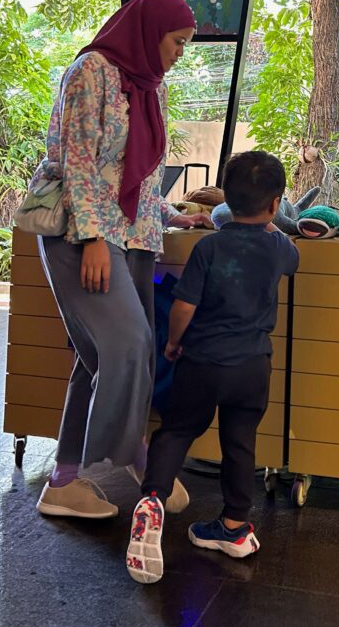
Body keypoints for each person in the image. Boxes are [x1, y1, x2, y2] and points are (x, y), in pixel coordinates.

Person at [35, 0, 206, 521]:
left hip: (131, 235)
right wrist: (91, 238)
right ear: (148, 30)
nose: (180, 52)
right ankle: (131, 452)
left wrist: (176, 216)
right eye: (177, 41)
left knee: (99, 360)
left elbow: (137, 177)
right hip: (83, 235)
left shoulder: (148, 88)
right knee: (130, 343)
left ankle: (64, 482)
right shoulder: (92, 71)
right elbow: (77, 159)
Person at [126, 151, 299, 583]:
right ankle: (235, 528)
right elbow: (293, 256)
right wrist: (272, 224)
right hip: (252, 367)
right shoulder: (279, 246)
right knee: (240, 441)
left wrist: (172, 342)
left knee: (177, 430)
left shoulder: (210, 247)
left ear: (226, 202)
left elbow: (184, 306)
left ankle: (152, 501)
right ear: (275, 203)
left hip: (202, 363)